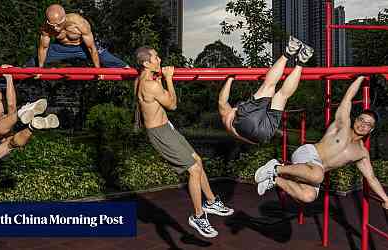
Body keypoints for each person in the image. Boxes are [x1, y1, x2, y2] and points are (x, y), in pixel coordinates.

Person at [135, 46, 234, 238]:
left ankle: (211, 201)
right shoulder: (150, 84)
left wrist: (161, 77)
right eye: (156, 57)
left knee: (198, 161)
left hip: (166, 129)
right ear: (146, 63)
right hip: (160, 133)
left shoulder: (143, 79)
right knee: (194, 169)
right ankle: (198, 216)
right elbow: (172, 105)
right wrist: (169, 79)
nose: (160, 59)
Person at [254, 76, 388, 209]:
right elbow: (347, 99)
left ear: (371, 129)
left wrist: (386, 199)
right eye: (361, 120)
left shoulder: (361, 153)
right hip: (308, 153)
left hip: (314, 171)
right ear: (356, 120)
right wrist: (361, 77)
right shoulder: (342, 126)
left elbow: (371, 178)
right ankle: (275, 168)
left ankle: (273, 180)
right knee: (318, 175)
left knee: (308, 196)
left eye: (368, 124)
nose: (363, 125)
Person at [218, 36, 314, 144]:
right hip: (246, 122)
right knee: (268, 86)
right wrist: (230, 79)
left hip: (263, 135)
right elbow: (222, 101)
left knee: (282, 96)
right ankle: (289, 51)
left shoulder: (231, 123)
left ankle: (301, 61)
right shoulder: (228, 116)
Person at [28, 4, 127, 70]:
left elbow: (91, 48)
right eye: (52, 25)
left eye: (58, 25)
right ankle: (19, 71)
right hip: (61, 48)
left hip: (83, 47)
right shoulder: (46, 28)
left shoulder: (79, 23)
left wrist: (98, 70)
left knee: (110, 59)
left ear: (64, 18)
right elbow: (43, 48)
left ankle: (128, 68)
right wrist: (40, 70)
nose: (55, 28)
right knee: (34, 62)